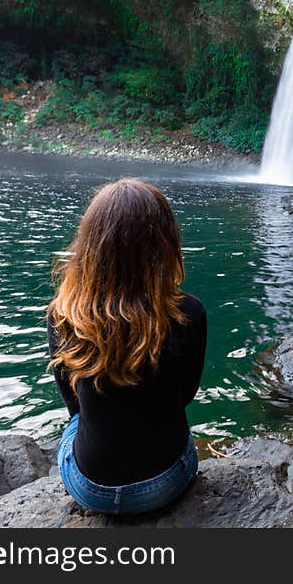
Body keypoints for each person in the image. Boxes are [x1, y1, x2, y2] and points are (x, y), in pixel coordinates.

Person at [47, 178, 207, 515]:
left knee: (75, 427)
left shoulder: (64, 314)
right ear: (163, 242)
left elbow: (74, 406)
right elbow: (185, 396)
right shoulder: (189, 313)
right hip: (166, 482)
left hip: (91, 489)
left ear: (90, 245)